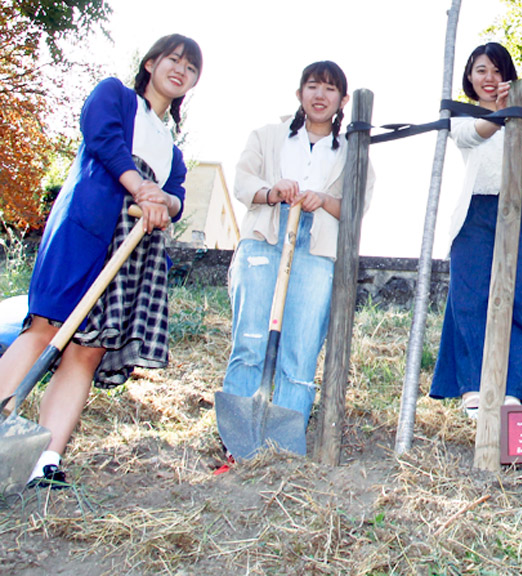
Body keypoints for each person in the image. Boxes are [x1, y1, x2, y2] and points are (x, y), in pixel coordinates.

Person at [0, 34, 202, 487]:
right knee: (46, 328)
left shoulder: (172, 150)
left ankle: (44, 460)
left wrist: (163, 202)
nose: (180, 70)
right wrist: (141, 188)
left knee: (87, 350)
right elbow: (101, 137)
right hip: (88, 230)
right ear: (150, 63)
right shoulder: (115, 96)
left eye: (190, 69)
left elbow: (179, 199)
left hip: (130, 253)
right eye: (173, 59)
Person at [221, 61, 374, 431]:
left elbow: (356, 207)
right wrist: (273, 192)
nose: (320, 95)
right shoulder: (267, 136)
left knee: (301, 349)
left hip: (317, 249)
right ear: (299, 94)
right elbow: (243, 182)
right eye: (312, 86)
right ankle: (237, 438)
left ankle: (282, 442)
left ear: (343, 99)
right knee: (250, 342)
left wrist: (322, 199)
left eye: (330, 88)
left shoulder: (353, 152)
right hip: (265, 241)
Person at [429, 42, 522, 416]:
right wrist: (501, 112)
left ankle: (514, 388)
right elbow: (472, 136)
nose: (490, 78)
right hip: (475, 212)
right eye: (481, 70)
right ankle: (473, 388)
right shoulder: (459, 114)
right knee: (470, 297)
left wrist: (521, 108)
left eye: (498, 70)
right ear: (469, 76)